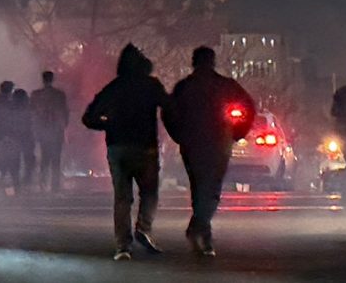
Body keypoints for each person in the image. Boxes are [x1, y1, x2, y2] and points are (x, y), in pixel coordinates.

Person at [163, 46, 255, 257]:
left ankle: (201, 231)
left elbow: (168, 112)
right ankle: (201, 230)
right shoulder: (226, 85)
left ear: (193, 62)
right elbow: (249, 107)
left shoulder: (184, 87)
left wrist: (179, 135)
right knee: (212, 188)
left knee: (198, 187)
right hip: (218, 142)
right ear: (213, 62)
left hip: (192, 143)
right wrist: (237, 133)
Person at [82, 44, 170, 261]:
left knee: (122, 198)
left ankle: (123, 246)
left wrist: (109, 125)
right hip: (145, 146)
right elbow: (170, 106)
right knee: (149, 192)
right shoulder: (151, 85)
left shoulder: (113, 88)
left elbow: (89, 118)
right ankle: (143, 227)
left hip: (118, 147)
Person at [31, 70, 69, 193]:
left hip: (43, 131)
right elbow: (65, 113)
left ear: (43, 79)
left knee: (45, 158)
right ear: (52, 79)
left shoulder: (36, 95)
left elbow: (32, 113)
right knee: (56, 159)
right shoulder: (59, 95)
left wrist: (35, 129)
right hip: (56, 131)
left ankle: (43, 184)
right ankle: (55, 186)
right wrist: (63, 126)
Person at [12, 89, 37, 189]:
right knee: (28, 159)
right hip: (27, 136)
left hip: (16, 137)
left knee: (15, 160)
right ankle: (27, 180)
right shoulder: (29, 108)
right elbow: (34, 122)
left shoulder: (12, 109)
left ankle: (17, 182)